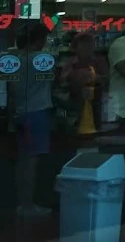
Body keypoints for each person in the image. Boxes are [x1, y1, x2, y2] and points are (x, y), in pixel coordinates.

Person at [10, 22, 54, 218]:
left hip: (20, 112)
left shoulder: (15, 59)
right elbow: (56, 79)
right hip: (37, 113)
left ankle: (22, 203)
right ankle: (28, 206)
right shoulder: (42, 60)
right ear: (40, 39)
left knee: (23, 161)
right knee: (31, 162)